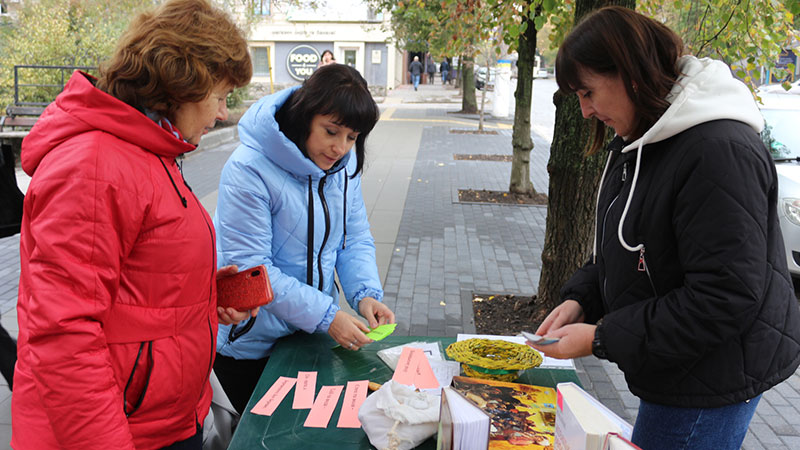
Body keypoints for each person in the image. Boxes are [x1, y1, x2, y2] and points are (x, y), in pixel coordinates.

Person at [531, 6, 800, 450]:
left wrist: (601, 338)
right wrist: (583, 297)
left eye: (588, 93)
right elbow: (628, 247)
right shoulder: (642, 136)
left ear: (631, 75)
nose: (584, 111)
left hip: (710, 376)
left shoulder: (716, 150)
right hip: (679, 361)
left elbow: (724, 296)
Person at [12, 1, 254, 448]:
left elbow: (133, 279)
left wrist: (202, 293)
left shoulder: (146, 150)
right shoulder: (95, 165)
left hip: (159, 419)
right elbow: (64, 335)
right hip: (121, 431)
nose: (221, 113)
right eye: (219, 97)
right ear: (183, 84)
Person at [213, 63, 396, 414]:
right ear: (305, 116)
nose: (340, 148)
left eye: (352, 138)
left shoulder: (342, 170)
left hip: (309, 337)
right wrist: (328, 317)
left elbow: (354, 237)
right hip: (251, 345)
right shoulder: (248, 169)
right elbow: (254, 271)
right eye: (331, 131)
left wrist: (366, 294)